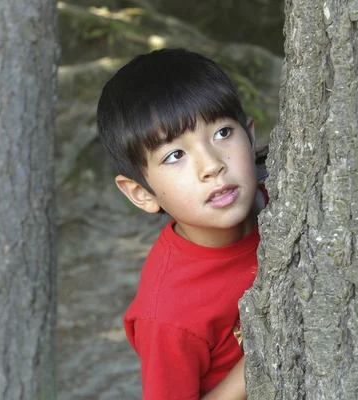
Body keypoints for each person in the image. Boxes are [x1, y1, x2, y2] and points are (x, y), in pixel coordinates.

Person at [96, 48, 267, 399]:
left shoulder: (287, 198)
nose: (211, 165)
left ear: (250, 138)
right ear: (141, 193)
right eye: (175, 155)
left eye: (222, 132)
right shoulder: (167, 314)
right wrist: (256, 365)